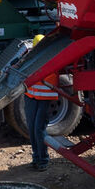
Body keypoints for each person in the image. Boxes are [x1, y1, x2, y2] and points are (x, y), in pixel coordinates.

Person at [24, 34, 59, 171]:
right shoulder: (31, 55)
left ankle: (43, 160)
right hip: (31, 96)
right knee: (32, 128)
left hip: (45, 98)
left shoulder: (51, 57)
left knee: (39, 129)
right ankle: (36, 157)